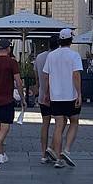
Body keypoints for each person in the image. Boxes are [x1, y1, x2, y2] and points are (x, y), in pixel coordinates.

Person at [43, 28, 82, 168]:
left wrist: (47, 93)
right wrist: (79, 93)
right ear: (71, 40)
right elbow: (76, 75)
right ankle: (66, 150)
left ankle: (57, 156)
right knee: (74, 121)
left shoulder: (51, 56)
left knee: (59, 125)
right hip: (70, 94)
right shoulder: (74, 55)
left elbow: (46, 76)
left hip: (56, 95)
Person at [0, 39, 25, 169]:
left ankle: (1, 155)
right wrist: (22, 97)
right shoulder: (12, 62)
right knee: (5, 127)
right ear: (8, 49)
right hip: (7, 99)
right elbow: (18, 81)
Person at [34, 35, 59, 163]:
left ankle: (43, 154)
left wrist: (39, 90)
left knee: (45, 123)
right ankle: (53, 149)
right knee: (60, 123)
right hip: (57, 95)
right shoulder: (57, 57)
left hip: (43, 95)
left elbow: (37, 77)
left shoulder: (39, 57)